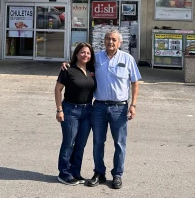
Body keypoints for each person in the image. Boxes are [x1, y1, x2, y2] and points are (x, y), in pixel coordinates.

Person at [63, 29, 141, 190]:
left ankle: (117, 175)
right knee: (98, 142)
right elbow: (80, 64)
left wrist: (133, 105)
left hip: (119, 107)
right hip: (98, 107)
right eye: (107, 39)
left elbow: (135, 83)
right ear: (103, 41)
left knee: (119, 143)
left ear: (120, 42)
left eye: (113, 39)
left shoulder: (127, 59)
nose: (110, 42)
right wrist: (66, 64)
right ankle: (99, 172)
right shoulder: (96, 58)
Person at [54, 42, 96, 186]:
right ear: (77, 54)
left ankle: (75, 172)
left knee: (80, 144)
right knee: (68, 143)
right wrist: (59, 110)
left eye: (88, 53)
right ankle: (64, 173)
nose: (86, 55)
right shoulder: (68, 69)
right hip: (70, 110)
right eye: (83, 52)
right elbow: (58, 89)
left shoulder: (92, 70)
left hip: (88, 111)